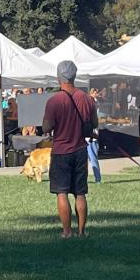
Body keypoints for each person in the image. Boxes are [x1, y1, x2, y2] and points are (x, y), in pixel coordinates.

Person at [41, 61, 97, 238]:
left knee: (62, 192)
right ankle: (82, 232)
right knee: (80, 193)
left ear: (59, 78)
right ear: (74, 76)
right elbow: (94, 123)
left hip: (61, 150)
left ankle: (66, 232)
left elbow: (46, 127)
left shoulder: (54, 101)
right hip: (80, 149)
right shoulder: (87, 98)